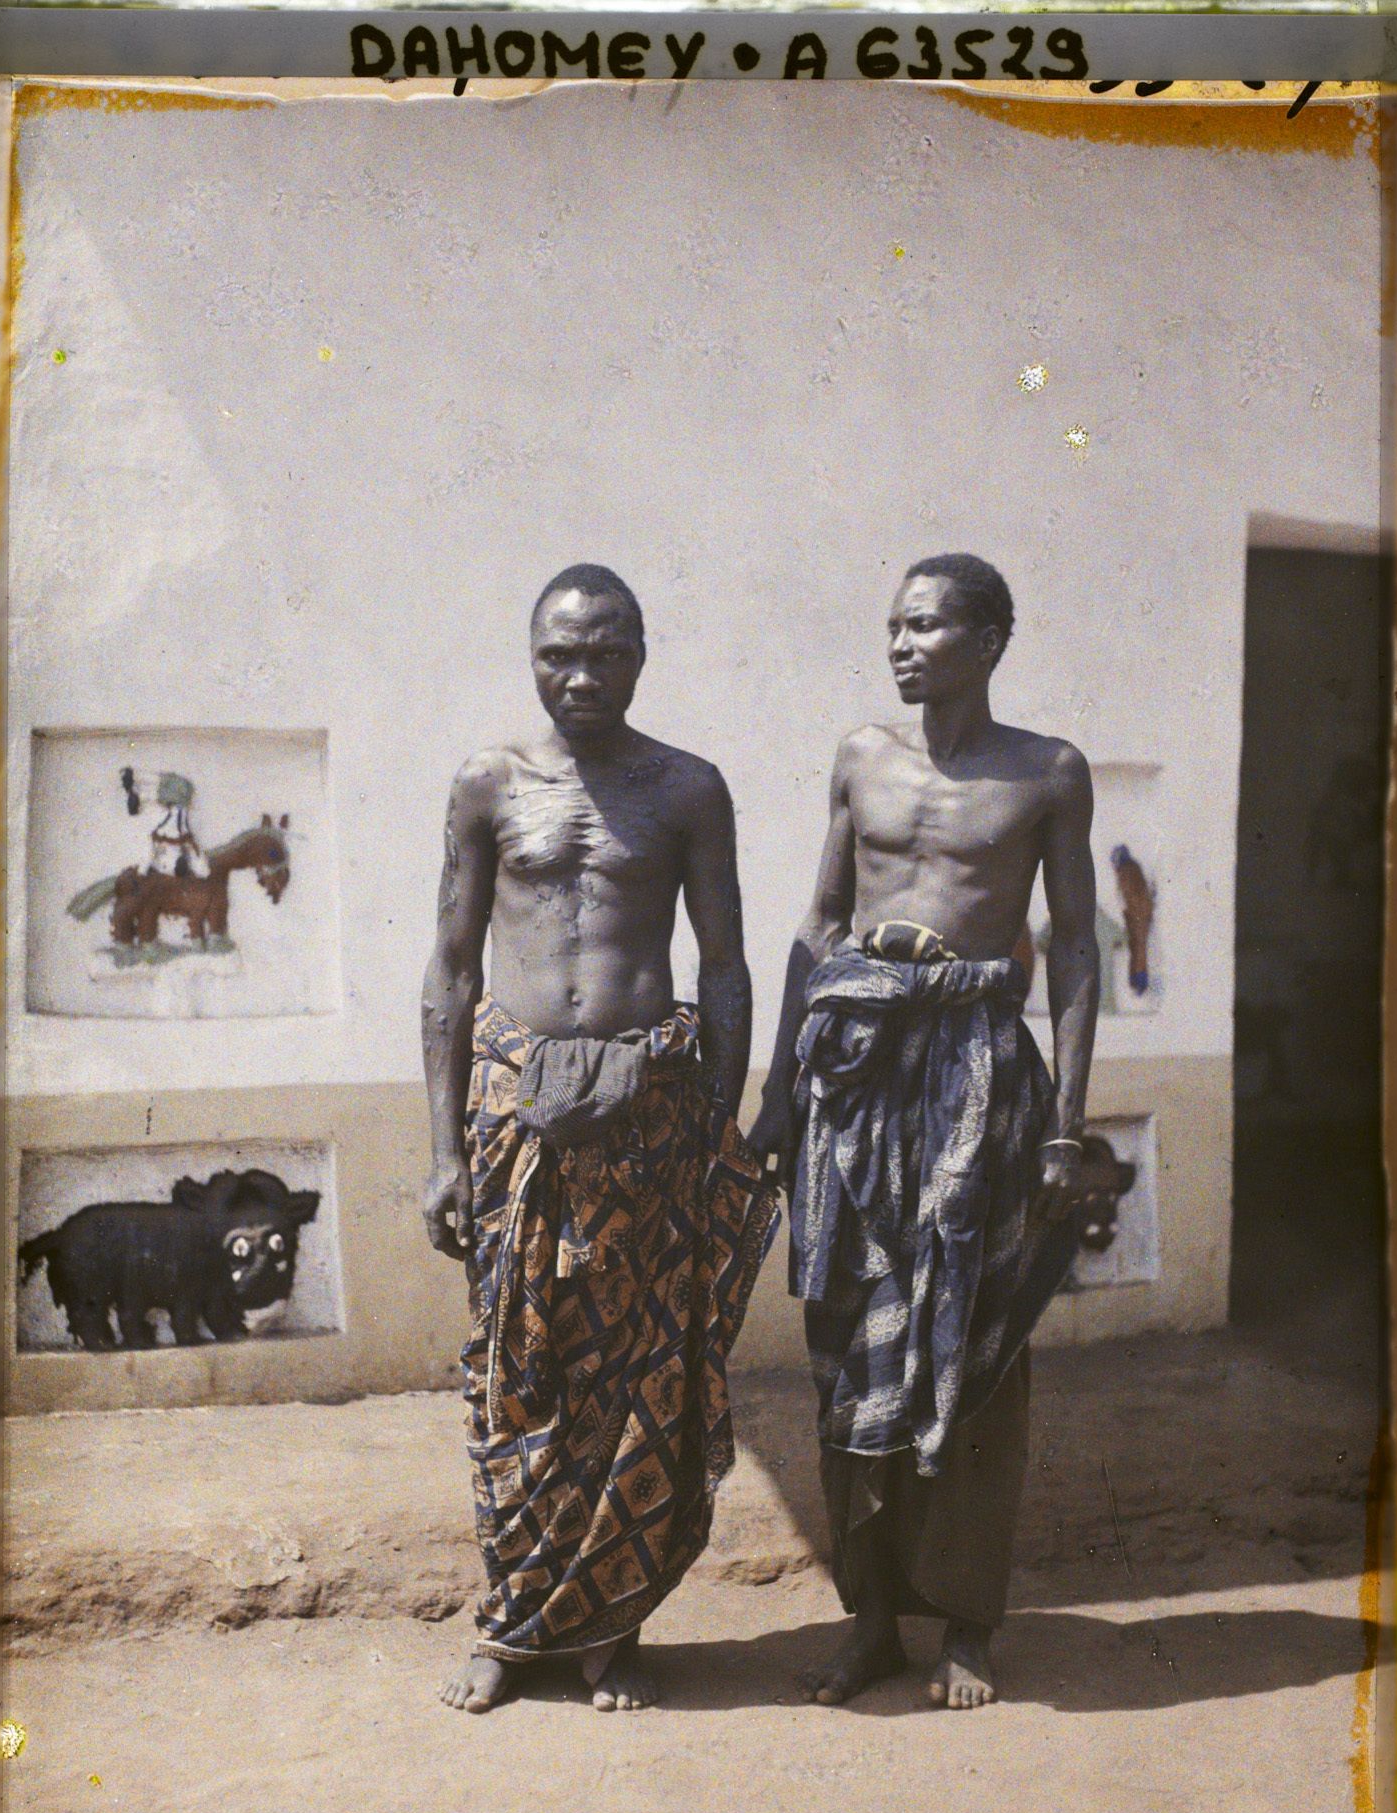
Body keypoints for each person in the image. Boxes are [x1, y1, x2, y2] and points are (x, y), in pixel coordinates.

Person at [421, 564, 779, 1715]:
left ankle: (607, 1630)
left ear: (640, 654)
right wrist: (440, 1149)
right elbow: (452, 967)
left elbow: (723, 966)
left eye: (606, 650)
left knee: (630, 1379)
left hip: (646, 1118)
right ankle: (514, 1626)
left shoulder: (686, 789)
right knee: (512, 1369)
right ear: (531, 655)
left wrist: (716, 1132)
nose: (581, 674)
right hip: (515, 1113)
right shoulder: (487, 783)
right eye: (557, 654)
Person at [748, 553, 1098, 1710]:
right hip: (854, 1083)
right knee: (846, 1342)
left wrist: (1066, 1125)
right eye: (892, 624)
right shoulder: (861, 756)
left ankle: (966, 1624)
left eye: (927, 626)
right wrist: (778, 1093)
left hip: (977, 1082)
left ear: (991, 637)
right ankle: (870, 1619)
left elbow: (1078, 948)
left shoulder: (1046, 771)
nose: (901, 644)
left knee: (974, 1348)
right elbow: (819, 917)